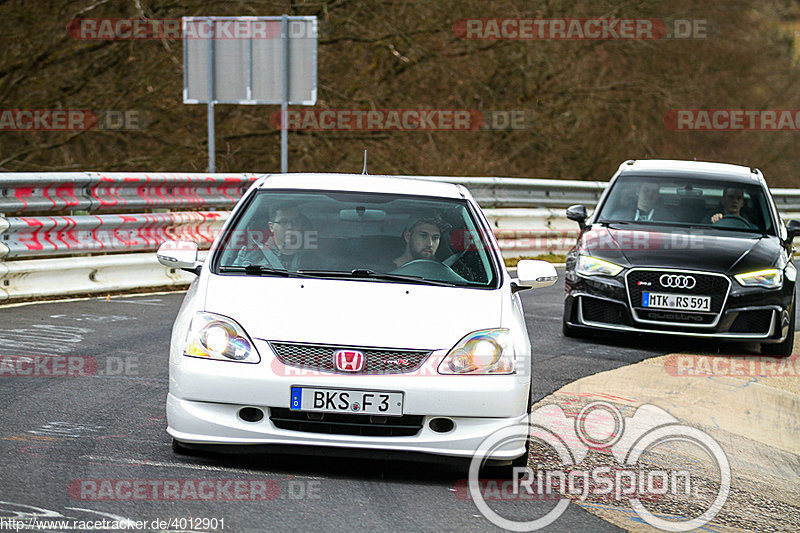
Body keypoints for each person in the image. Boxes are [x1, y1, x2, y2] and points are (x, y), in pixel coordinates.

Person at [235, 203, 313, 270]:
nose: (290, 226)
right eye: (283, 222)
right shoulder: (250, 254)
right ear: (271, 227)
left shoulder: (316, 255)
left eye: (295, 221)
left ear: (301, 224)